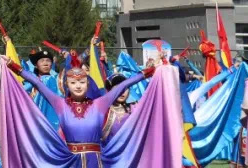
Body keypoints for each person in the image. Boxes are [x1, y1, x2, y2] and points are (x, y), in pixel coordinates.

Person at [10, 54, 153, 166]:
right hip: (70, 162)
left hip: (96, 163)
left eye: (82, 82)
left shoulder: (100, 104)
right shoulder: (60, 104)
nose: (78, 86)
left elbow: (124, 84)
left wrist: (151, 71)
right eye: (73, 83)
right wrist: (10, 64)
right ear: (67, 85)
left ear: (88, 83)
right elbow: (36, 82)